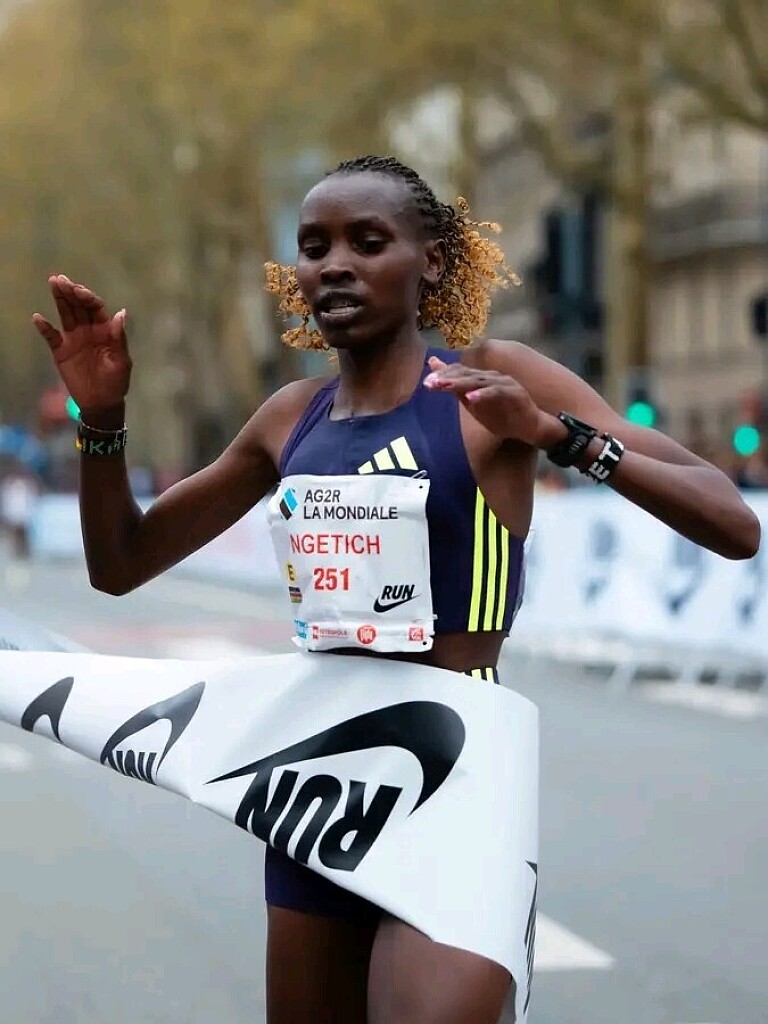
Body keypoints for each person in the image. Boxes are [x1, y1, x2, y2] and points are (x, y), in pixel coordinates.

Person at [32, 154, 760, 1024]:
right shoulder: (288, 418)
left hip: (459, 766)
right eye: (315, 247)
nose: (335, 265)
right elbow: (120, 565)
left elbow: (733, 522)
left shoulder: (491, 377)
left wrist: (555, 434)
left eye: (368, 242)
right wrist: (103, 421)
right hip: (321, 779)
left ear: (432, 262)